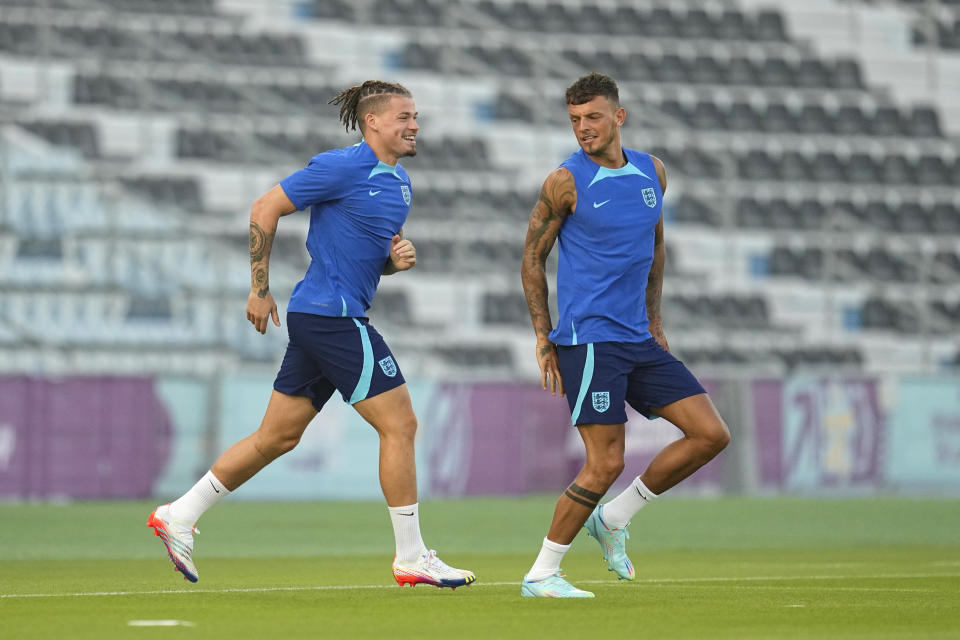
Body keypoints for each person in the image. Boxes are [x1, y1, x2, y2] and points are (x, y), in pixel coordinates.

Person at [147, 80, 475, 590]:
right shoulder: (341, 166)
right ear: (373, 123)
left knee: (276, 437)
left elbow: (366, 261)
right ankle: (412, 555)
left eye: (416, 117)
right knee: (401, 425)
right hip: (332, 317)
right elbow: (264, 208)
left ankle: (180, 515)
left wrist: (392, 263)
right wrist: (259, 288)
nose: (415, 125)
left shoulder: (401, 184)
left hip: (325, 316)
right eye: (404, 117)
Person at [518, 72, 730, 598]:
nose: (583, 128)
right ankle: (542, 572)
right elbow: (531, 257)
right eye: (573, 120)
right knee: (606, 460)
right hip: (589, 339)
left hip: (638, 337)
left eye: (592, 117)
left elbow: (655, 250)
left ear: (619, 116)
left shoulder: (651, 171)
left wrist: (655, 321)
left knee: (711, 435)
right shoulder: (565, 182)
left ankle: (615, 518)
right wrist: (544, 336)